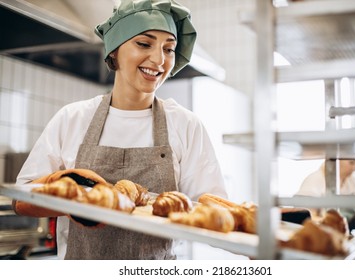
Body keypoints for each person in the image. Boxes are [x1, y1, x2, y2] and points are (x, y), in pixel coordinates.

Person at [13, 0, 227, 260]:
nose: (159, 60)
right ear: (114, 50)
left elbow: (215, 214)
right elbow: (21, 201)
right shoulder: (73, 118)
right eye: (144, 43)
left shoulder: (186, 125)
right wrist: (76, 201)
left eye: (169, 49)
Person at [295, 160, 355, 231]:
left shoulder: (351, 181)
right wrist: (347, 223)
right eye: (352, 163)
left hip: (344, 237)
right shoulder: (314, 182)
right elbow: (308, 223)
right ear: (336, 160)